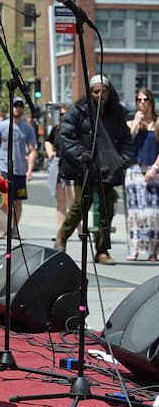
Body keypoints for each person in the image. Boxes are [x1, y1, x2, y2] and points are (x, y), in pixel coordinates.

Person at [56, 75, 134, 265]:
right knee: (81, 205)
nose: (100, 95)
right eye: (96, 91)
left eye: (103, 91)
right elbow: (65, 136)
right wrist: (82, 156)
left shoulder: (117, 113)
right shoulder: (78, 111)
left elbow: (126, 141)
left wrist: (123, 160)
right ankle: (61, 238)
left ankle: (102, 250)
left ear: (109, 91)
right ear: (90, 92)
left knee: (107, 209)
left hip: (108, 167)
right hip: (86, 167)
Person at [0, 96, 37, 238]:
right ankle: (3, 227)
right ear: (11, 106)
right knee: (3, 200)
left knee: (17, 201)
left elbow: (32, 150)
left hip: (20, 170)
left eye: (20, 105)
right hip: (3, 168)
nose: (17, 108)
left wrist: (30, 170)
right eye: (15, 105)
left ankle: (14, 228)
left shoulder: (27, 129)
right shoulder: (1, 126)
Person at [125, 87, 159, 261]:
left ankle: (153, 250)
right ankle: (134, 249)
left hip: (153, 170)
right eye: (139, 100)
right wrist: (135, 127)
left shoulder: (158, 123)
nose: (142, 102)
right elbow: (125, 146)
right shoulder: (131, 124)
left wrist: (155, 167)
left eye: (145, 99)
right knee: (135, 214)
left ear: (151, 102)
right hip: (134, 171)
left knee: (153, 214)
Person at [45, 106, 75, 249]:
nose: (64, 116)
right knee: (60, 202)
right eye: (62, 114)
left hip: (72, 167)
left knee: (74, 202)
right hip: (58, 166)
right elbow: (47, 141)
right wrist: (50, 151)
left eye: (66, 114)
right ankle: (61, 231)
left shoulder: (76, 129)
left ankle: (79, 229)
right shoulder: (56, 129)